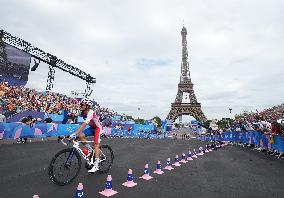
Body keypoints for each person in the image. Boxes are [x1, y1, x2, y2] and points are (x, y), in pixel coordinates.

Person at [70, 98, 102, 173]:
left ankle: (96, 165)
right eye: (80, 104)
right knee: (80, 136)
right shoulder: (82, 112)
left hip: (98, 128)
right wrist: (71, 116)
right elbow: (73, 115)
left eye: (82, 105)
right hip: (92, 128)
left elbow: (84, 125)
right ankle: (90, 150)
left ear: (87, 106)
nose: (80, 106)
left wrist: (74, 133)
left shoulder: (91, 112)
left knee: (96, 145)